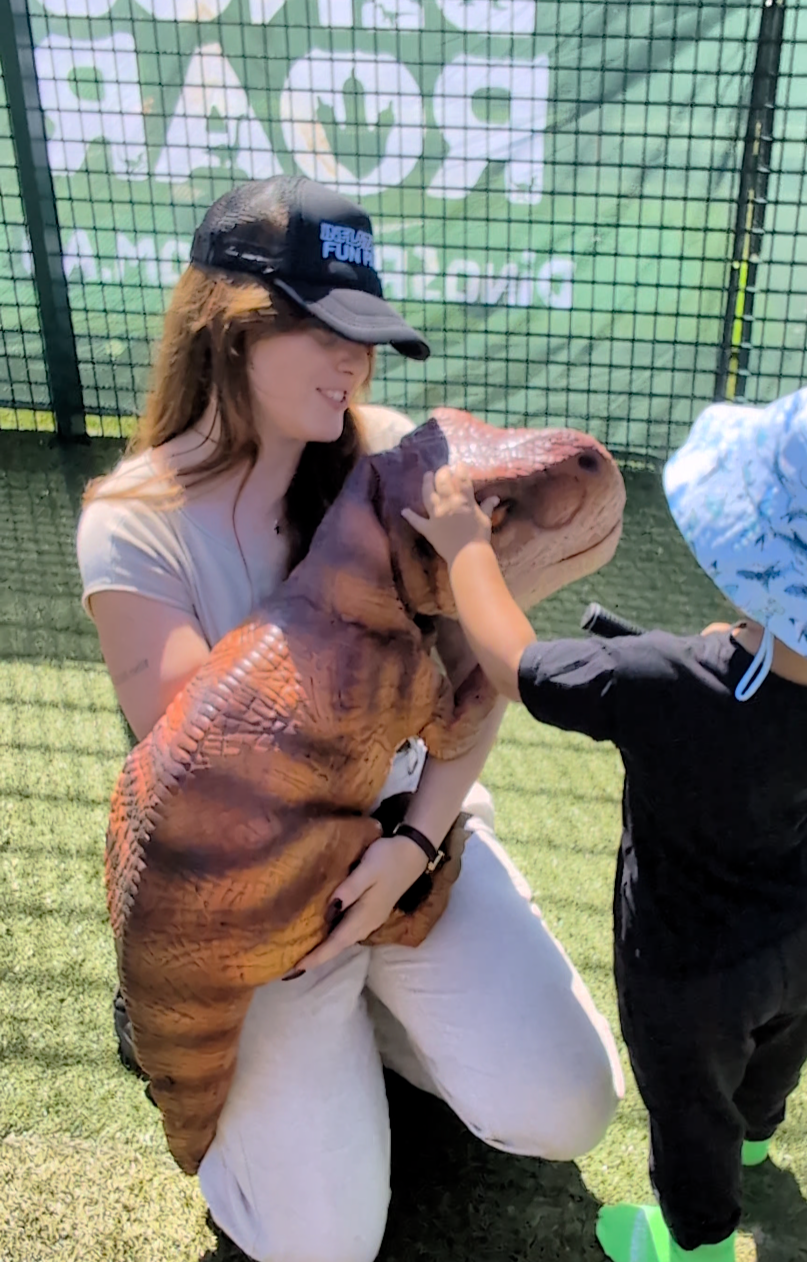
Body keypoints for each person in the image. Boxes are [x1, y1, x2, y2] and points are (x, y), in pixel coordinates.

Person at [76, 175, 623, 1262]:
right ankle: (237, 1074)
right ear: (228, 325)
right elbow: (208, 760)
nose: (354, 363)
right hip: (269, 907)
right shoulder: (134, 521)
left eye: (366, 337)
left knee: (569, 1106)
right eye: (325, 330)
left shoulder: (393, 452)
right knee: (321, 1243)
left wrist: (416, 839)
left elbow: (472, 687)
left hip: (415, 843)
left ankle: (384, 1032)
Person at [402, 381, 807, 1262]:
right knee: (768, 1065)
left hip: (688, 975)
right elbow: (772, 706)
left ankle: (691, 1244)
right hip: (803, 940)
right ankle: (760, 1141)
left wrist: (470, 546)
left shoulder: (657, 681)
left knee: (687, 1109)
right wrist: (743, 644)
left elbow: (515, 664)